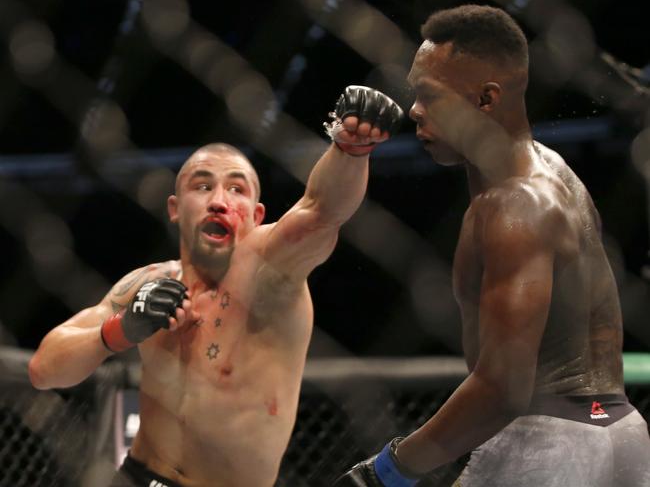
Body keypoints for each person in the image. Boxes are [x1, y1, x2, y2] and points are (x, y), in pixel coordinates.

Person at [334, 5, 650, 487]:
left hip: (549, 443)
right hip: (623, 433)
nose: (414, 110)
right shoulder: (556, 174)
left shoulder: (511, 205)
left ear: (485, 99)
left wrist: (386, 470)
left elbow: (503, 387)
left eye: (430, 96)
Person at [28, 85, 403, 487]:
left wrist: (350, 149)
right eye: (202, 186)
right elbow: (43, 370)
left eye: (237, 189)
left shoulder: (270, 272)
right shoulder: (148, 282)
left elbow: (320, 212)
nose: (219, 201)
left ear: (257, 215)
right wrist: (118, 331)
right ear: (175, 208)